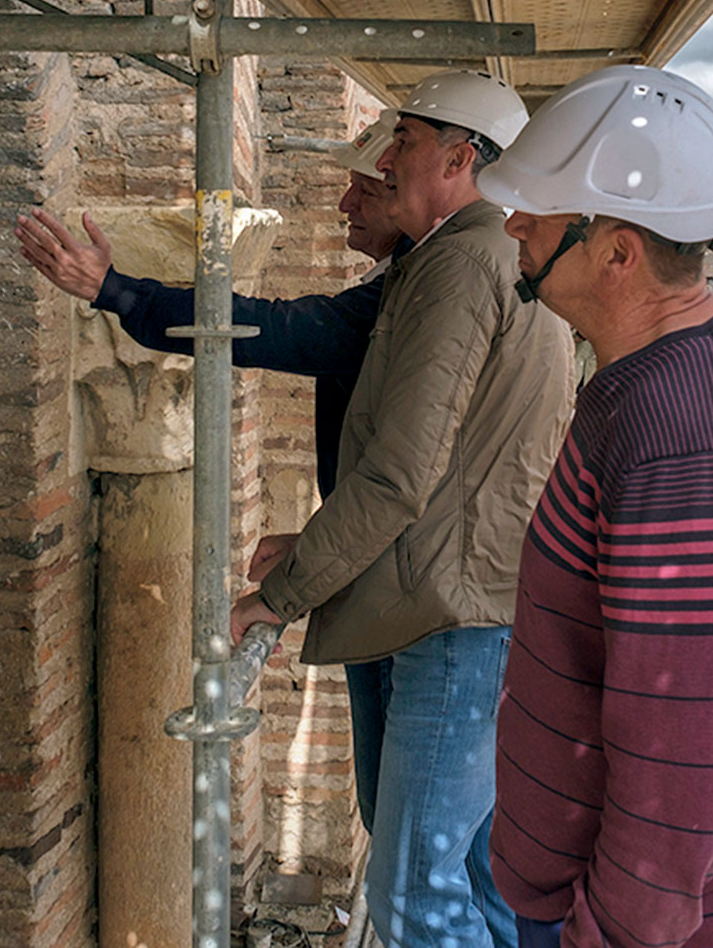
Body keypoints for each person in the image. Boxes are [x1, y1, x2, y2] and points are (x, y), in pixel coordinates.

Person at [476, 65, 713, 948]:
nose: (514, 226)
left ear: (616, 250)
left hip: (649, 925)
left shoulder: (678, 438)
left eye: (541, 212)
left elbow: (683, 753)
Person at [232, 70, 576, 948]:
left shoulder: (465, 262)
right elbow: (454, 471)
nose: (385, 161)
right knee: (475, 877)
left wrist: (283, 594)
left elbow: (400, 474)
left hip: (451, 621)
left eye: (407, 142)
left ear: (461, 159)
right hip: (467, 603)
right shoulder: (467, 257)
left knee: (416, 887)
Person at [16, 110, 404, 496]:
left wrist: (115, 291)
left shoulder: (401, 295)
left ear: (410, 195)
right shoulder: (407, 277)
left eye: (365, 191)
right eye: (351, 186)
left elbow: (275, 329)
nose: (345, 204)